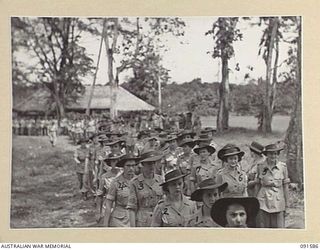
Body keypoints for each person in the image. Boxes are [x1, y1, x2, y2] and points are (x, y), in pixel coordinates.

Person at [254, 143, 290, 228]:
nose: (273, 156)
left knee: (278, 227)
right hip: (263, 200)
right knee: (263, 225)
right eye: (270, 153)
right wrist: (255, 201)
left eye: (275, 153)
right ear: (266, 154)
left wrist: (287, 205)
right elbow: (258, 184)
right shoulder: (260, 166)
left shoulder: (283, 167)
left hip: (278, 200)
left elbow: (285, 186)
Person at [127, 150, 163, 227]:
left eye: (154, 163)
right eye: (149, 164)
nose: (152, 166)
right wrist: (133, 229)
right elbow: (132, 208)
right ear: (143, 164)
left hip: (159, 219)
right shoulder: (135, 182)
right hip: (142, 221)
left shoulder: (161, 180)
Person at [104, 153, 139, 227]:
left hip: (136, 217)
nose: (131, 168)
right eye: (128, 166)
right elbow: (108, 204)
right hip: (119, 220)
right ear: (123, 167)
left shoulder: (139, 181)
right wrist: (105, 225)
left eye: (133, 165)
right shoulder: (116, 182)